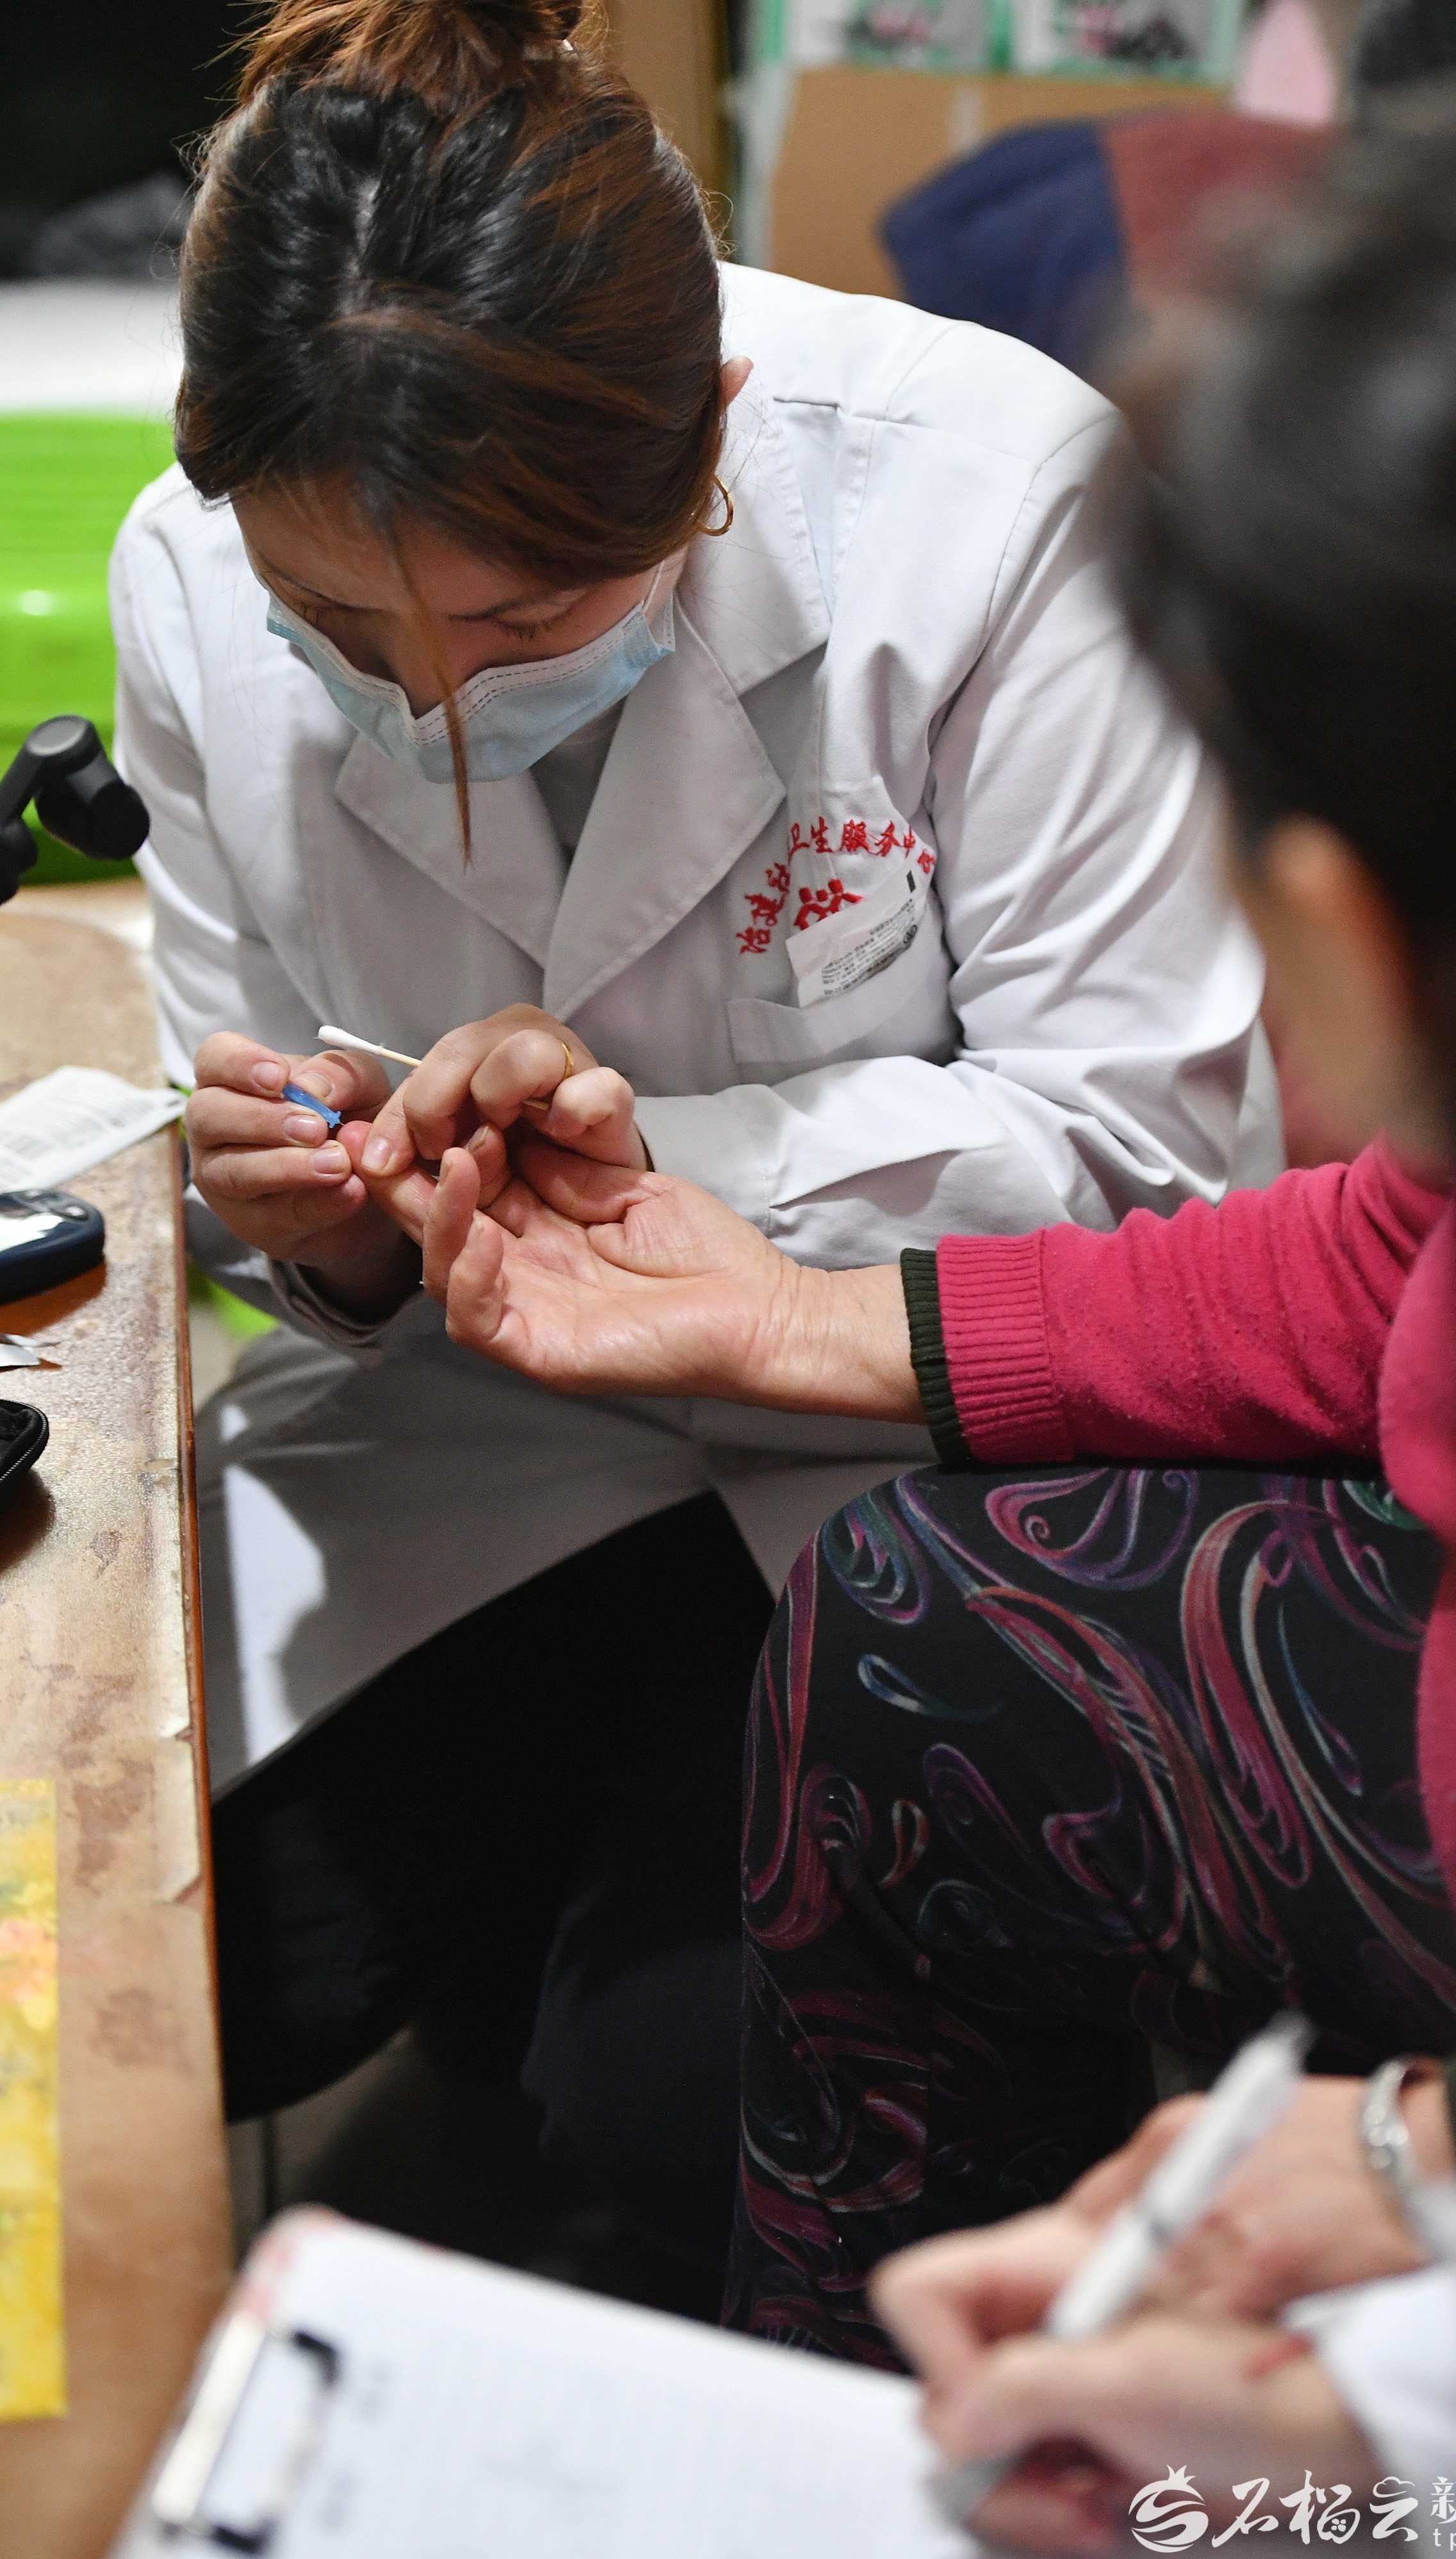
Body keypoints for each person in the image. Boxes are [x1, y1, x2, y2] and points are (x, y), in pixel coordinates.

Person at [357, 53, 1456, 2506]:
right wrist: (789, 1319)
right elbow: (1376, 1254)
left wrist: (1436, 2172)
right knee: (899, 1623)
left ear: (1362, 907)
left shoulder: (974, 498)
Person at [113, 0, 1277, 2137]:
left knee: (692, 2099)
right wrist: (306, 1223)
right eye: (337, 635)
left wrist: (649, 1160)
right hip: (472, 1430)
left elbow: (1144, 1158)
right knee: (164, 1967)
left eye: (527, 626)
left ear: (717, 426)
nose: (435, 714)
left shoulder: (992, 501)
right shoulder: (188, 576)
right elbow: (255, 1116)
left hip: (901, 1435)